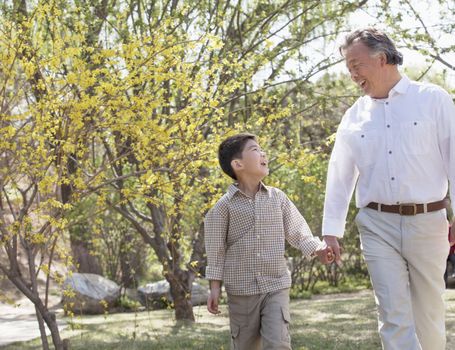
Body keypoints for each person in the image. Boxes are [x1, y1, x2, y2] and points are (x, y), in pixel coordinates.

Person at [322, 28, 455, 350]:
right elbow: (339, 174)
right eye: (347, 67)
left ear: (381, 58)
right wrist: (330, 230)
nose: (352, 74)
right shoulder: (354, 116)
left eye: (356, 64)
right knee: (392, 314)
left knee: (429, 313)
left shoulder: (432, 99)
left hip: (428, 221)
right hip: (376, 223)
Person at [205, 133, 333, 350]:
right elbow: (215, 250)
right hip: (241, 291)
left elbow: (298, 231)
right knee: (245, 345)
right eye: (255, 150)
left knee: (278, 343)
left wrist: (317, 248)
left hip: (276, 285)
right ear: (238, 164)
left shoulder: (278, 198)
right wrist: (215, 288)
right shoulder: (223, 208)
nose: (263, 153)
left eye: (262, 149)